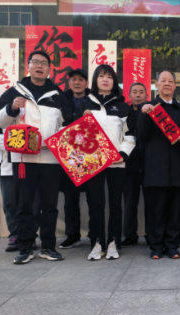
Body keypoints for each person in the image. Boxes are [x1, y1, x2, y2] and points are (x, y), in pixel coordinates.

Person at [0, 50, 73, 265]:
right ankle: (25, 248)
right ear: (27, 66)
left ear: (49, 69)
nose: (40, 66)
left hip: (50, 160)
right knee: (24, 205)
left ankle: (48, 247)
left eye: (44, 63)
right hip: (23, 159)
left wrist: (56, 142)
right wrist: (11, 108)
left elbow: (68, 125)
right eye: (35, 62)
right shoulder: (13, 93)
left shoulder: (58, 95)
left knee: (49, 205)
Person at [74, 64, 135, 260]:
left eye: (109, 77)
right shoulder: (84, 103)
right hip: (92, 162)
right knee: (96, 204)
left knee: (115, 204)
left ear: (114, 81)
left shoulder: (123, 106)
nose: (105, 80)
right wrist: (81, 121)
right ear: (95, 80)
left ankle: (113, 242)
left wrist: (123, 154)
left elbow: (130, 135)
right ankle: (96, 242)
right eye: (101, 76)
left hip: (117, 162)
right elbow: (74, 135)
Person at [137, 70, 180, 259]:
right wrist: (144, 115)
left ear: (175, 86)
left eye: (170, 81)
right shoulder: (149, 109)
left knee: (175, 211)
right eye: (163, 80)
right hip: (156, 169)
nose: (167, 84)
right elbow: (141, 136)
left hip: (179, 169)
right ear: (156, 85)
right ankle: (156, 246)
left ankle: (172, 245)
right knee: (156, 211)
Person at [0, 121, 41, 252]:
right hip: (7, 168)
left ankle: (30, 235)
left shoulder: (31, 115)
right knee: (10, 203)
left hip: (30, 164)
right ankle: (14, 235)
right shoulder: (1, 116)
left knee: (33, 204)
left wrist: (24, 142)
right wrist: (21, 143)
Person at [59, 68, 91, 250]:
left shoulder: (94, 101)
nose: (77, 82)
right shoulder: (61, 100)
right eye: (73, 80)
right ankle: (72, 236)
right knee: (70, 198)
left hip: (90, 154)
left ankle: (95, 234)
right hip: (69, 155)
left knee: (94, 198)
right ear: (69, 83)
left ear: (86, 83)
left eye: (80, 79)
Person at [122, 82, 150, 247]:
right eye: (134, 92)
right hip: (129, 167)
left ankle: (150, 234)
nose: (138, 95)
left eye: (141, 92)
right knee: (129, 203)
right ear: (129, 96)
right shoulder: (124, 114)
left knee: (151, 203)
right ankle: (130, 235)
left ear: (147, 96)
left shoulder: (152, 113)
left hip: (149, 166)